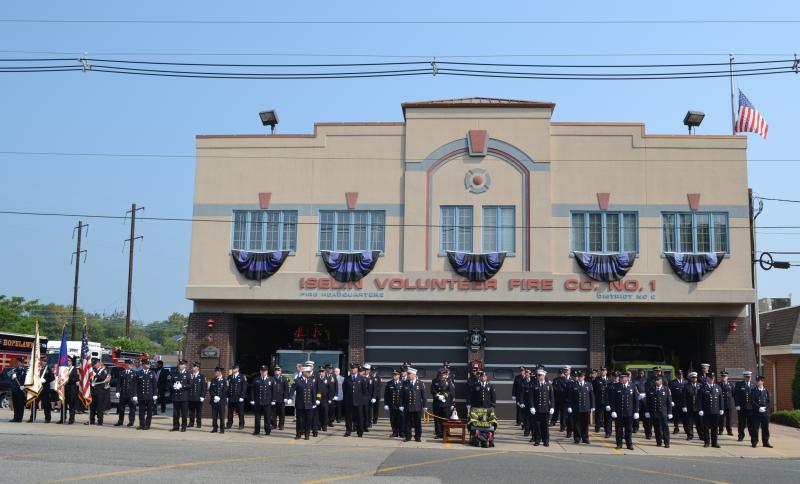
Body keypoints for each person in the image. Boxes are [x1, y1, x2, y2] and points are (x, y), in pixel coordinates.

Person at [610, 371, 639, 450]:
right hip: (619, 412)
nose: (621, 379)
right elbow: (612, 400)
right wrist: (613, 410)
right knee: (618, 430)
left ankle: (629, 444)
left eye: (623, 378)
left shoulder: (632, 386)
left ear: (627, 378)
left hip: (629, 412)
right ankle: (619, 444)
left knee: (629, 430)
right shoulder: (616, 386)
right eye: (621, 378)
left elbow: (635, 400)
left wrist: (636, 411)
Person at [527, 368, 554, 446]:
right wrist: (531, 406)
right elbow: (531, 397)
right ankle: (537, 440)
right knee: (537, 426)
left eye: (540, 375)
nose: (538, 376)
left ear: (544, 376)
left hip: (545, 409)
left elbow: (552, 397)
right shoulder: (534, 384)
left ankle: (546, 440)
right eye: (538, 375)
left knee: (545, 426)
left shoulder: (549, 385)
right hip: (537, 409)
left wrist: (552, 407)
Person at [567, 370, 595, 444]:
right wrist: (569, 406)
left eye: (581, 376)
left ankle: (585, 438)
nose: (580, 378)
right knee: (576, 424)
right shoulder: (573, 385)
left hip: (586, 408)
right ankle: (577, 438)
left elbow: (591, 396)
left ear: (584, 377)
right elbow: (570, 397)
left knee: (585, 424)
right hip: (576, 407)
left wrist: (593, 406)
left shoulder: (588, 384)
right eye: (579, 376)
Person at [645, 374, 673, 448]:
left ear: (661, 381)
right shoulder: (651, 389)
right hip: (654, 411)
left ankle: (667, 443)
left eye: (657, 380)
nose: (656, 382)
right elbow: (648, 401)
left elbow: (669, 402)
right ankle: (659, 442)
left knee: (665, 428)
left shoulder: (666, 389)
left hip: (663, 412)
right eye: (655, 380)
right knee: (657, 428)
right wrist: (647, 411)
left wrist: (670, 412)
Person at [342, 362, 368, 437]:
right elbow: (344, 390)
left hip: (358, 402)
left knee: (359, 417)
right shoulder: (347, 379)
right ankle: (348, 431)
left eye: (354, 368)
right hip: (349, 402)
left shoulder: (362, 378)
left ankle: (360, 432)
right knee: (348, 418)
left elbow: (364, 391)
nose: (353, 370)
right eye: (352, 368)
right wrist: (346, 400)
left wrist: (363, 401)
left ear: (357, 369)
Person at [401, 367, 426, 442]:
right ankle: (408, 436)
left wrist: (425, 406)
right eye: (408, 374)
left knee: (417, 423)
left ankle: (418, 436)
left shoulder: (420, 383)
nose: (408, 375)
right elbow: (402, 396)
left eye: (409, 374)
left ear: (414, 374)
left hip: (417, 407)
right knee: (407, 423)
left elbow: (424, 396)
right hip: (407, 406)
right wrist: (401, 405)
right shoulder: (405, 383)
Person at [699, 372, 723, 448]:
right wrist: (700, 409)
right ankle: (707, 442)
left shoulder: (718, 387)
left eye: (713, 378)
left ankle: (714, 443)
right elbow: (699, 400)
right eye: (710, 378)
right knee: (706, 428)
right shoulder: (703, 387)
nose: (712, 379)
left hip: (715, 411)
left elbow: (720, 399)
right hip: (706, 411)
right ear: (707, 378)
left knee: (715, 428)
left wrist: (721, 408)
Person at [292, 365, 315, 440]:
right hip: (300, 404)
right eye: (308, 372)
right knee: (299, 420)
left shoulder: (311, 380)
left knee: (308, 420)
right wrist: (289, 398)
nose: (309, 373)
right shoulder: (297, 380)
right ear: (304, 372)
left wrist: (314, 403)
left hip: (309, 404)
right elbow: (292, 390)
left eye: (309, 372)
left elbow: (313, 393)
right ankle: (298, 434)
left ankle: (307, 434)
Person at [250, 364, 274, 436]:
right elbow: (252, 390)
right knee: (257, 417)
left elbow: (273, 391)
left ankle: (267, 430)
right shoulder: (256, 379)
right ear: (260, 371)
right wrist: (252, 399)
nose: (263, 372)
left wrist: (273, 400)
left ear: (267, 371)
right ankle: (257, 430)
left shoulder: (271, 379)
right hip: (258, 401)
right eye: (262, 371)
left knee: (267, 417)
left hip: (267, 402)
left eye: (265, 371)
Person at [431, 367, 455, 439]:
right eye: (443, 373)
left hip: (446, 403)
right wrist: (438, 396)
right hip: (437, 403)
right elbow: (432, 390)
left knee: (446, 419)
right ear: (440, 374)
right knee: (437, 419)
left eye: (445, 373)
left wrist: (444, 395)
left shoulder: (449, 381)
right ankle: (439, 433)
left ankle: (447, 433)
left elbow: (451, 391)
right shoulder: (434, 381)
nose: (445, 375)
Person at [749, 375, 772, 448]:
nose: (758, 382)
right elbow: (752, 401)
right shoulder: (753, 391)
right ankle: (754, 441)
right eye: (757, 381)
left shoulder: (766, 391)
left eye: (760, 381)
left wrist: (766, 408)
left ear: (763, 382)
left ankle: (765, 442)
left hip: (765, 413)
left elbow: (769, 401)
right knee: (755, 428)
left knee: (765, 428)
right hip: (756, 412)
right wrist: (758, 408)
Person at [114, 359, 138, 427]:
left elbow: (135, 385)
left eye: (131, 364)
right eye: (129, 364)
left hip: (131, 394)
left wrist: (135, 394)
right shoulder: (121, 373)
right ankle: (120, 421)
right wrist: (117, 391)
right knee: (121, 408)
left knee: (132, 409)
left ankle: (131, 422)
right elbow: (119, 383)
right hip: (123, 393)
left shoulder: (134, 373)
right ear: (126, 364)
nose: (130, 365)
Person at [136, 359, 157, 430]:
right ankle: (142, 424)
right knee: (141, 411)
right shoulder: (139, 373)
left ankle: (147, 425)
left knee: (149, 411)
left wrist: (155, 394)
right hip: (141, 394)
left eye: (148, 364)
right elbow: (135, 384)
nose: (148, 365)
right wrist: (135, 394)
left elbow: (154, 384)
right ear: (143, 365)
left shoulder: (152, 373)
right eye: (146, 364)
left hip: (150, 395)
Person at [87, 359, 110, 426]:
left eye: (95, 364)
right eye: (94, 364)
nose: (94, 365)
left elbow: (103, 377)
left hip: (100, 391)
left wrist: (95, 375)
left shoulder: (104, 371)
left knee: (100, 407)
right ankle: (92, 420)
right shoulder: (94, 370)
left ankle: (100, 421)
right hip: (93, 391)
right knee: (92, 406)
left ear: (99, 364)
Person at [734, 370, 755, 441]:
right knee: (741, 423)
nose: (748, 378)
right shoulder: (739, 384)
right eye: (747, 377)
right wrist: (737, 404)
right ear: (744, 377)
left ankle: (752, 436)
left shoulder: (753, 385)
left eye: (749, 377)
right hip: (742, 407)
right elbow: (736, 395)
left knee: (751, 423)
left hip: (751, 408)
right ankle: (741, 436)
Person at [171, 359, 190, 432]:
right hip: (176, 396)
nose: (180, 365)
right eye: (179, 364)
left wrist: (182, 386)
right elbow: (170, 383)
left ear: (185, 365)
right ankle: (175, 426)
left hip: (184, 397)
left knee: (184, 413)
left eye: (181, 364)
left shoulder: (188, 374)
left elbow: (190, 385)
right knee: (175, 413)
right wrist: (173, 386)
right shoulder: (175, 373)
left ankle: (183, 427)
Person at [683, 371, 703, 441]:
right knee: (689, 422)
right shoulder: (686, 386)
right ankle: (690, 435)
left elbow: (703, 397)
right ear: (690, 378)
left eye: (695, 377)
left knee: (699, 423)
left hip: (698, 407)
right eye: (693, 377)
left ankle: (701, 435)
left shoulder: (700, 385)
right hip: (689, 407)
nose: (694, 379)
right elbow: (684, 397)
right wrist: (684, 406)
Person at [226, 363, 247, 430]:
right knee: (230, 412)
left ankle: (241, 424)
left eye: (234, 369)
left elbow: (244, 387)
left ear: (237, 369)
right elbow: (227, 387)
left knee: (240, 412)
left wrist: (242, 396)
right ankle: (229, 424)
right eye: (232, 369)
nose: (233, 370)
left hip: (239, 397)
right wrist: (227, 396)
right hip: (231, 397)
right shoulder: (229, 377)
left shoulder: (242, 376)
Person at [384, 369, 404, 437]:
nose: (394, 376)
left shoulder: (403, 383)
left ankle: (401, 432)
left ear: (399, 375)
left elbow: (405, 395)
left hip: (400, 405)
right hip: (392, 404)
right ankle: (395, 432)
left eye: (395, 375)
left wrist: (403, 404)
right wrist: (386, 404)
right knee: (393, 419)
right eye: (393, 374)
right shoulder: (389, 383)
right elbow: (386, 395)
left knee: (401, 419)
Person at [188, 362, 207, 428]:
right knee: (191, 411)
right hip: (191, 396)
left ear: (197, 368)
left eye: (194, 367)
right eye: (193, 367)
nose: (193, 368)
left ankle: (198, 423)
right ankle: (191, 423)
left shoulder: (202, 376)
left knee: (198, 411)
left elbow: (204, 387)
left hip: (198, 397)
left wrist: (202, 396)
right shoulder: (190, 375)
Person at [208, 366, 227, 434]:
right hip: (214, 401)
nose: (215, 373)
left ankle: (222, 429)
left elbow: (225, 390)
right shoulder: (213, 380)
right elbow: (210, 390)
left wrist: (219, 397)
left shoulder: (224, 380)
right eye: (215, 372)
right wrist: (214, 396)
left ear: (219, 372)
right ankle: (214, 428)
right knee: (214, 416)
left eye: (216, 372)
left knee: (221, 416)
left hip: (221, 401)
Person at [270, 365, 290, 430]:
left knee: (282, 413)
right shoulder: (271, 378)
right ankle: (273, 424)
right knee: (273, 413)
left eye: (278, 370)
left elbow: (286, 389)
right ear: (274, 371)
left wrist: (286, 397)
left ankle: (281, 425)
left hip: (281, 398)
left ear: (280, 371)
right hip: (273, 398)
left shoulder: (284, 378)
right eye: (276, 370)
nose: (277, 371)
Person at [314, 366, 333, 433]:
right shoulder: (316, 379)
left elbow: (331, 389)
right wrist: (315, 398)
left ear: (325, 372)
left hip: (325, 399)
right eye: (320, 372)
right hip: (318, 399)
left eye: (322, 372)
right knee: (318, 413)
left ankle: (324, 426)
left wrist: (330, 398)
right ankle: (318, 425)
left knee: (325, 413)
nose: (321, 373)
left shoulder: (328, 379)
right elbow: (314, 389)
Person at [593, 367, 611, 437]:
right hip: (599, 400)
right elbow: (593, 391)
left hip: (607, 402)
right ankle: (597, 427)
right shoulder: (596, 380)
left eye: (604, 370)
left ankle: (607, 431)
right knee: (598, 415)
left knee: (607, 417)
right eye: (601, 371)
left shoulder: (609, 380)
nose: (602, 372)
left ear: (606, 372)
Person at [9, 357, 27, 423]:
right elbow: (10, 378)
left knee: (21, 405)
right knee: (15, 404)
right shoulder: (14, 370)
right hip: (15, 390)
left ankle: (20, 418)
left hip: (21, 390)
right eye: (19, 362)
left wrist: (24, 386)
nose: (19, 363)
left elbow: (27, 380)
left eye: (21, 362)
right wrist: (12, 377)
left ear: (23, 363)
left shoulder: (25, 371)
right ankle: (15, 418)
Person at [669, 370, 687, 435]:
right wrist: (671, 401)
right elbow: (669, 393)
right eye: (679, 374)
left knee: (685, 417)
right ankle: (676, 428)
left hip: (684, 403)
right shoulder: (672, 382)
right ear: (676, 375)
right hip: (676, 402)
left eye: (681, 374)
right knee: (676, 417)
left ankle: (686, 429)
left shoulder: (686, 382)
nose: (680, 375)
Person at [717, 371, 735, 437]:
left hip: (729, 404)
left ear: (727, 377)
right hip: (721, 404)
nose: (724, 377)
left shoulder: (731, 385)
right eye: (722, 376)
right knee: (720, 418)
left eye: (725, 376)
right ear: (721, 377)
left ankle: (729, 431)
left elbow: (733, 394)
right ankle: (720, 430)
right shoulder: (718, 384)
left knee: (729, 418)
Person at [631, 369, 647, 434]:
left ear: (643, 373)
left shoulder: (646, 380)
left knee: (645, 414)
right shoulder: (634, 380)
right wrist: (637, 392)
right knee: (636, 413)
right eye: (640, 373)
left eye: (642, 373)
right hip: (637, 398)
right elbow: (633, 387)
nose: (641, 374)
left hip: (644, 398)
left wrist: (645, 393)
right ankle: (635, 427)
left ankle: (646, 426)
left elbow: (648, 387)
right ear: (638, 373)